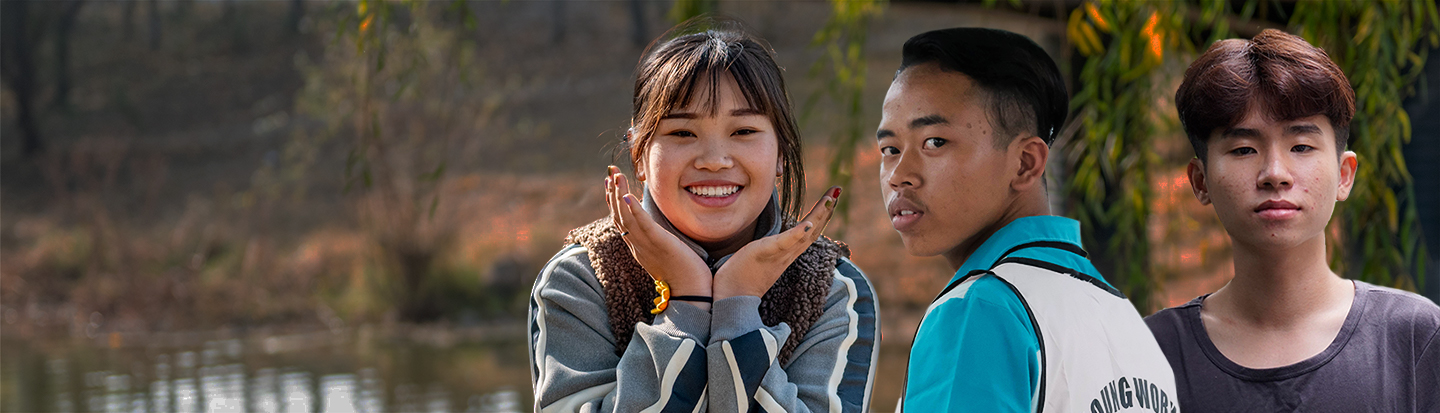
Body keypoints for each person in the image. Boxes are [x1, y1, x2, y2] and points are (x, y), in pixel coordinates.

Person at [527, 19, 879, 413]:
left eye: (743, 131)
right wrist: (686, 304)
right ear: (639, 155)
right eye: (682, 133)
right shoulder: (580, 278)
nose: (714, 161)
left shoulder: (833, 289)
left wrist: (738, 306)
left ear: (781, 153)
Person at [877, 27, 1176, 412]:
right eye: (890, 149)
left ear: (1024, 163)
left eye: (935, 142)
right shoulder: (1125, 321)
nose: (899, 175)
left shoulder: (981, 308)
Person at [1145, 28, 1440, 412]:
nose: (1274, 173)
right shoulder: (1150, 351)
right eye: (1243, 149)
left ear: (1344, 175)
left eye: (1300, 146)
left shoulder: (1415, 338)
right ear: (1201, 181)